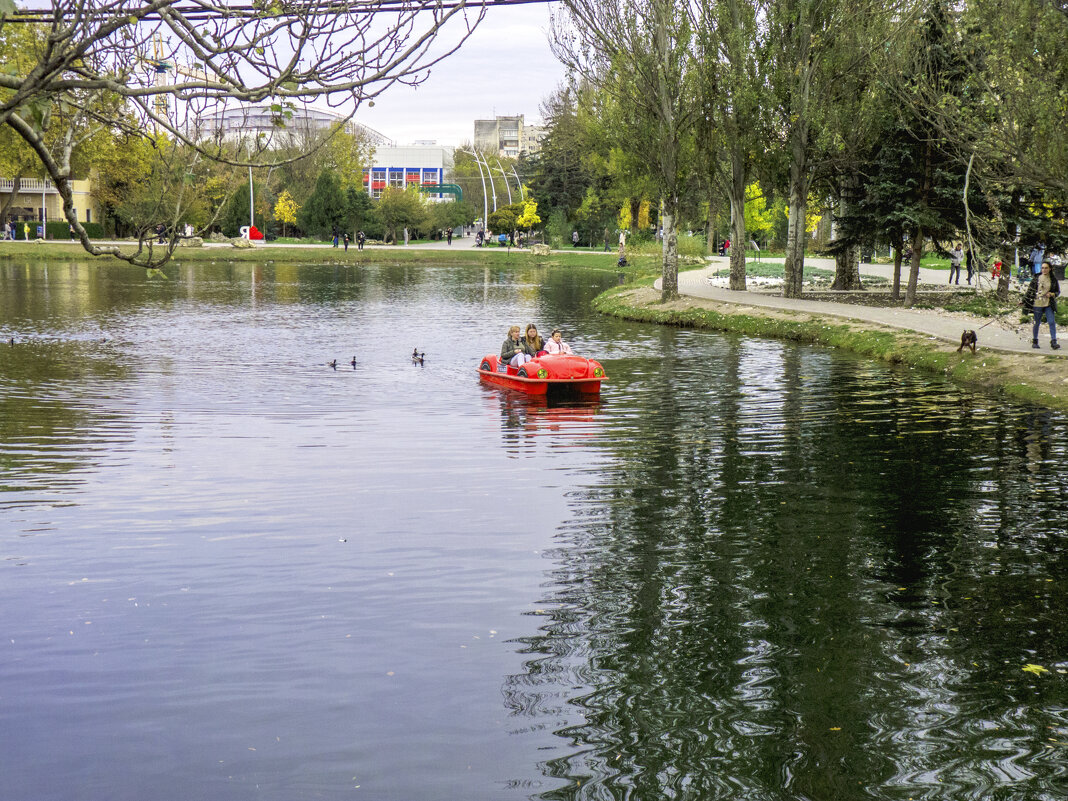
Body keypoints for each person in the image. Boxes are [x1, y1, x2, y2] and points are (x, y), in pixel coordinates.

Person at [1023, 261, 1060, 350]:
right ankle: (1035, 341)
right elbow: (1030, 290)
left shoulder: (1053, 279)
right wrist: (1024, 301)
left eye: (1046, 268)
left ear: (1050, 269)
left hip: (1048, 303)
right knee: (1037, 322)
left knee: (1051, 321)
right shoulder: (1036, 277)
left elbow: (1057, 291)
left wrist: (1052, 294)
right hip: (1038, 303)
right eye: (1042, 268)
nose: (1044, 270)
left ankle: (1054, 341)